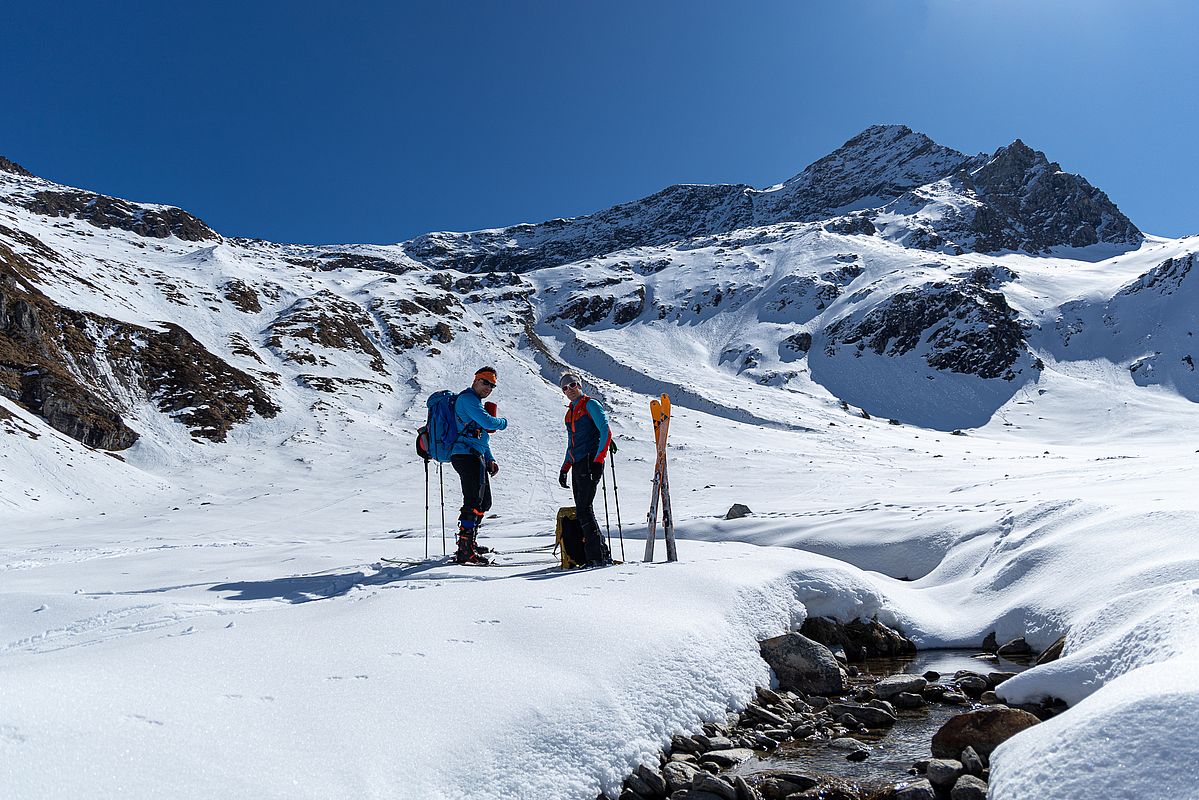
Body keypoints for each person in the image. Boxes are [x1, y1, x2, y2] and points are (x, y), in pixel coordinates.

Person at [451, 366, 508, 565]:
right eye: (485, 382)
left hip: (475, 455)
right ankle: (464, 550)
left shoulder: (475, 402)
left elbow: (481, 435)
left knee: (483, 503)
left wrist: (489, 458)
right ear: (475, 380)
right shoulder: (468, 400)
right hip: (465, 455)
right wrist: (503, 422)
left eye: (492, 385)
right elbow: (489, 424)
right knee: (473, 501)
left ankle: (469, 543)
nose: (488, 387)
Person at [557, 372, 613, 567]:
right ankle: (599, 554)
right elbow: (571, 444)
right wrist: (565, 468)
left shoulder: (590, 404)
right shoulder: (569, 413)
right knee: (583, 510)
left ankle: (596, 557)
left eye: (572, 385)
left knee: (584, 509)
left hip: (590, 460)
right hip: (578, 464)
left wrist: (599, 460)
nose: (569, 390)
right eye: (565, 388)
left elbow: (605, 430)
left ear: (579, 385)